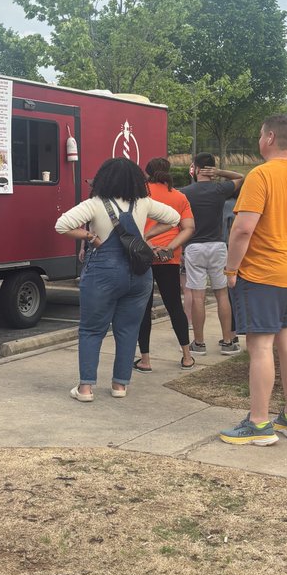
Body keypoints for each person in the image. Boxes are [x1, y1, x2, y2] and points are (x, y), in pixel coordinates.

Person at [219, 115, 287, 446]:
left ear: (271, 137)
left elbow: (243, 228)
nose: (259, 140)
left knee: (260, 345)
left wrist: (231, 269)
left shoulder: (260, 175)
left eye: (261, 135)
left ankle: (259, 423)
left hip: (262, 272)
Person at [56, 157, 182, 401]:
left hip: (103, 272)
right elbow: (174, 218)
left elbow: (62, 225)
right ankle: (119, 385)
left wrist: (91, 238)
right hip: (138, 274)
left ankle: (85, 388)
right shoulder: (144, 203)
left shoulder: (93, 204)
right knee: (128, 330)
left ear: (103, 179)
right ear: (136, 180)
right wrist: (144, 235)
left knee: (92, 330)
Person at [133, 158, 195, 372]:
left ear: (147, 173)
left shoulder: (139, 194)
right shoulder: (180, 197)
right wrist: (169, 247)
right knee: (174, 306)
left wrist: (147, 242)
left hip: (143, 255)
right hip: (169, 258)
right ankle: (187, 356)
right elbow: (188, 227)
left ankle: (146, 360)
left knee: (143, 308)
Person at [181, 153, 244, 356]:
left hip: (194, 247)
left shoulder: (185, 193)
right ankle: (227, 341)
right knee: (222, 294)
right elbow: (242, 178)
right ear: (211, 169)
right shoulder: (220, 189)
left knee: (197, 296)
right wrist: (220, 173)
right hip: (217, 246)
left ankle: (198, 343)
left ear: (196, 169)